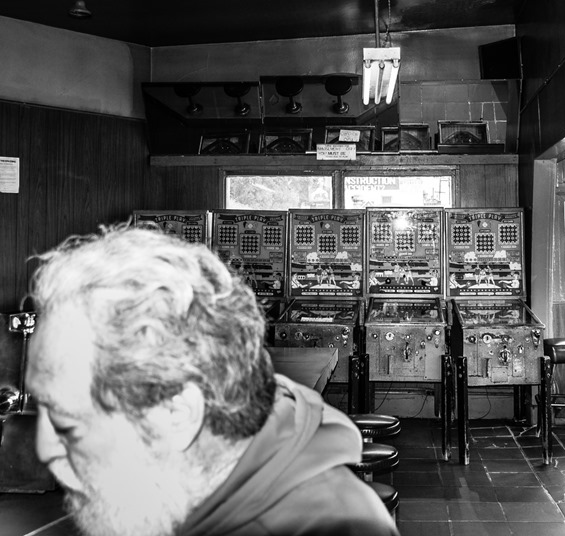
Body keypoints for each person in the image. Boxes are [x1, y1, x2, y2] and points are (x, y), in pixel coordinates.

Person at [25, 224, 399, 536]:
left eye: (66, 422)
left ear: (177, 412)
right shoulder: (157, 498)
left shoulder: (332, 523)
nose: (44, 448)